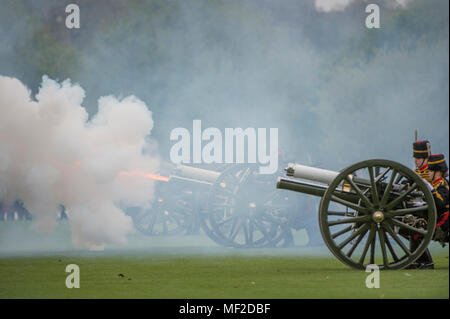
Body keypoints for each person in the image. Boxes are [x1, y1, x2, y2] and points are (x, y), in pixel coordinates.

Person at [427, 153, 449, 245]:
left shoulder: (443, 185)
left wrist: (431, 190)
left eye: (430, 171)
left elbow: (440, 203)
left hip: (445, 221)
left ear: (438, 172)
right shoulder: (436, 184)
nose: (428, 173)